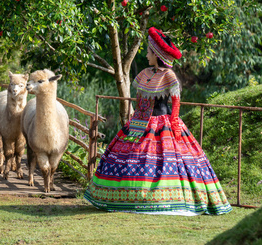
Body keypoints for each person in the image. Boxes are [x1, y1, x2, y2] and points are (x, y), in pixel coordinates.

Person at [84, 27, 232, 215]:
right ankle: (122, 196)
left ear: (157, 54)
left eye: (149, 51)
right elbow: (139, 101)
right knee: (128, 159)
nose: (146, 55)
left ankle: (166, 198)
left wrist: (175, 124)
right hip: (138, 122)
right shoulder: (145, 73)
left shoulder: (168, 76)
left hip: (163, 123)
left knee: (166, 161)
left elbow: (175, 102)